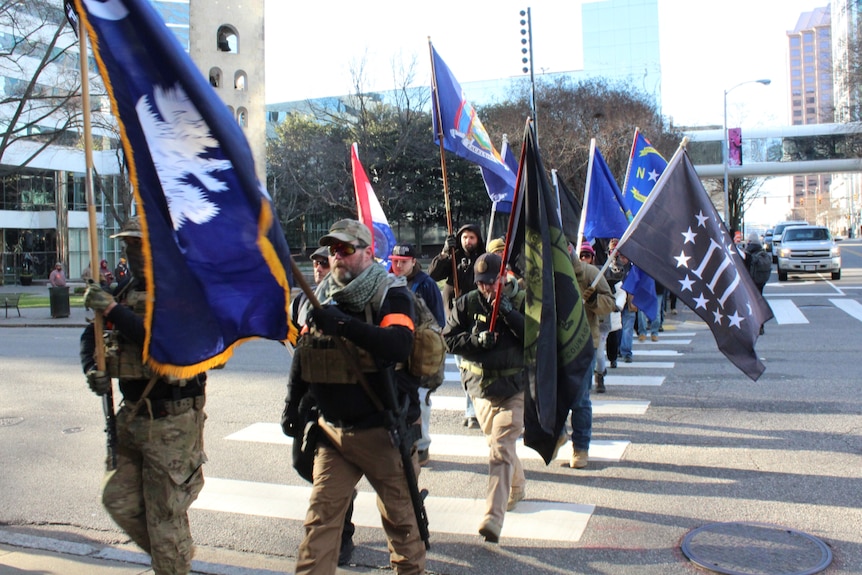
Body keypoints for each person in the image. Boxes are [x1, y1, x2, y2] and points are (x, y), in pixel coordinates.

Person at [281, 219, 425, 575]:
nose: (337, 257)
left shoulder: (389, 293)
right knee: (320, 524)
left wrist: (344, 326)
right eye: (333, 250)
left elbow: (398, 343)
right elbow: (304, 353)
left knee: (403, 526)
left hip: (381, 433)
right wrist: (292, 404)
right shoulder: (320, 297)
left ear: (367, 252)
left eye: (346, 249)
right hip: (333, 434)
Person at [79, 217, 207, 575]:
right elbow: (91, 338)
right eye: (128, 245)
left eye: (140, 244)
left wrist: (112, 311)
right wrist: (93, 369)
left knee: (165, 518)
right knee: (117, 499)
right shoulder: (122, 291)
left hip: (173, 421)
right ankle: (174, 559)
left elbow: (165, 344)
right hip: (132, 416)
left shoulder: (184, 292)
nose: (132, 252)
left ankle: (172, 562)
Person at [442, 252, 526, 543]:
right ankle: (517, 486)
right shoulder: (467, 302)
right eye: (482, 284)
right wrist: (474, 341)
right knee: (497, 445)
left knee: (501, 448)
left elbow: (535, 336)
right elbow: (448, 339)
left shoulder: (520, 299)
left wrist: (507, 312)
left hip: (513, 388)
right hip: (480, 390)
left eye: (492, 282)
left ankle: (493, 517)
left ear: (503, 277)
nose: (487, 289)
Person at [288, 244, 357, 566]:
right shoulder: (302, 299)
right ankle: (339, 504)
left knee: (334, 475)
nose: (317, 267)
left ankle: (342, 533)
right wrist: (291, 406)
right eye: (314, 262)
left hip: (339, 402)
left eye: (322, 261)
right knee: (302, 463)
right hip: (308, 397)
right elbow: (298, 353)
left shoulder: (347, 298)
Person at [390, 242, 445, 468]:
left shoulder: (427, 285)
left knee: (421, 401)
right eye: (395, 262)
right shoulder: (387, 282)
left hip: (419, 352)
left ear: (414, 261)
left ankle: (422, 446)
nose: (399, 266)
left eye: (404, 262)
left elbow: (439, 321)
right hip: (395, 351)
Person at [429, 223, 485, 429]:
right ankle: (473, 408)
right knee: (464, 366)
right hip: (455, 319)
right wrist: (445, 252)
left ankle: (474, 410)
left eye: (472, 237)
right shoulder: (452, 257)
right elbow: (433, 274)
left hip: (478, 319)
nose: (468, 241)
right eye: (464, 237)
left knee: (474, 365)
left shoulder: (483, 259)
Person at [564, 242, 614, 468]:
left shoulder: (590, 273)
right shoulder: (547, 271)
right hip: (555, 345)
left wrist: (594, 300)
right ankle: (555, 436)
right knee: (549, 395)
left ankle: (580, 448)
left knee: (580, 399)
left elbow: (609, 304)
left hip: (585, 344)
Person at [744, 232, 771, 335]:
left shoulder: (749, 253)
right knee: (758, 302)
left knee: (751, 304)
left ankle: (754, 326)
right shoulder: (762, 252)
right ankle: (760, 326)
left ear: (750, 242)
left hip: (751, 282)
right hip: (760, 282)